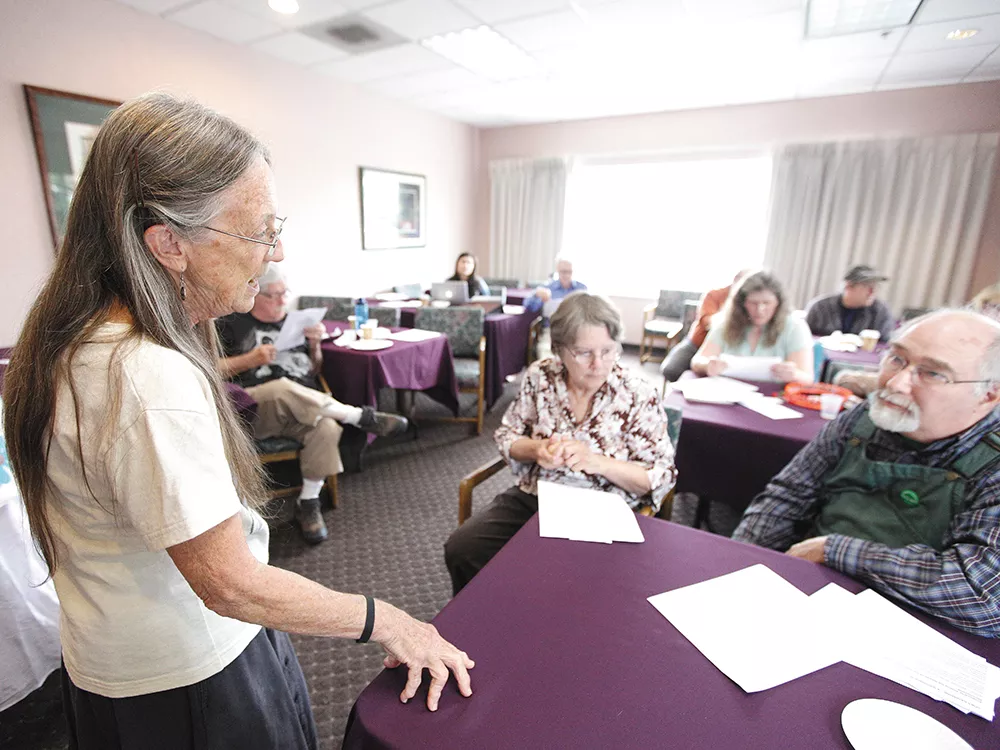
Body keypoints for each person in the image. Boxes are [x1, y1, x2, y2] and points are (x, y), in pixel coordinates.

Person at [2, 92, 473, 749]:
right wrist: (390, 621)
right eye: (259, 231)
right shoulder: (147, 375)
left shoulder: (73, 339)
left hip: (113, 662)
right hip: (190, 678)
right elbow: (229, 583)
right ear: (169, 244)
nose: (275, 251)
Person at [732, 309, 1000, 636]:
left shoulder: (992, 461)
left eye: (932, 374)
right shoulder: (864, 417)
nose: (896, 383)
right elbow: (788, 496)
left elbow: (983, 595)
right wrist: (741, 562)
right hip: (809, 599)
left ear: (989, 394)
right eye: (897, 359)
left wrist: (834, 550)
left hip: (915, 631)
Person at [444, 292, 676, 594]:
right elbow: (507, 436)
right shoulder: (541, 377)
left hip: (606, 509)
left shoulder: (638, 394)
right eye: (584, 352)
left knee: (564, 577)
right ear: (560, 350)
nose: (598, 364)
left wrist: (598, 462)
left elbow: (660, 476)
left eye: (608, 350)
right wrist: (536, 450)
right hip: (539, 497)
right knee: (463, 549)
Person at [216, 264, 408, 544]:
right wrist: (250, 360)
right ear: (255, 294)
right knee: (281, 388)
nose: (283, 301)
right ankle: (358, 416)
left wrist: (315, 346)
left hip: (302, 407)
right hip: (256, 409)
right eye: (274, 295)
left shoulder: (295, 322)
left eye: (285, 293)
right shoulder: (231, 324)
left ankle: (308, 502)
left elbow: (314, 369)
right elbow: (209, 369)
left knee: (327, 427)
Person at [690, 271, 815, 383]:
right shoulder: (726, 323)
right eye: (753, 303)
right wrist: (708, 365)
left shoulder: (795, 327)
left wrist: (794, 375)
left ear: (778, 303)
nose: (760, 310)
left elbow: (807, 377)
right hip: (728, 392)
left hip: (775, 396)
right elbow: (698, 361)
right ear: (742, 303)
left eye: (767, 303)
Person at [660, 269, 753, 382]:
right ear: (735, 280)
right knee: (671, 370)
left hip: (729, 349)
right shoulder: (714, 295)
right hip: (697, 343)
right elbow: (707, 321)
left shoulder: (752, 301)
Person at [805, 264, 894, 340]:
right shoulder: (820, 307)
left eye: (875, 287)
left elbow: (884, 343)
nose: (872, 292)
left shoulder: (880, 312)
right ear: (849, 286)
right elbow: (804, 338)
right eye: (867, 287)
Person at [524, 258, 588, 359]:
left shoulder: (582, 289)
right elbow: (530, 307)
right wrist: (536, 294)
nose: (566, 275)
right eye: (563, 272)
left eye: (569, 272)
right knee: (546, 354)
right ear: (558, 271)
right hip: (552, 331)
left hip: (575, 330)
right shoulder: (548, 288)